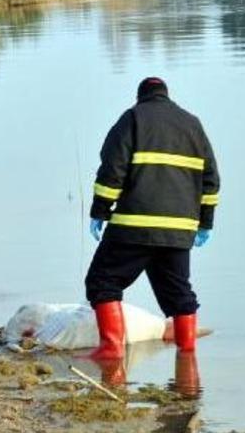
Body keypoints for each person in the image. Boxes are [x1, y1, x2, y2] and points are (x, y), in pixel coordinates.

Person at [86, 77, 220, 358]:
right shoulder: (192, 125)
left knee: (102, 282)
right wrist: (205, 222)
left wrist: (100, 210)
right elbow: (211, 180)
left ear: (140, 97)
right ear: (167, 96)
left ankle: (111, 352)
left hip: (133, 226)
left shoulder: (133, 118)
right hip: (178, 231)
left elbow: (112, 169)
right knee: (179, 294)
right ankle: (188, 356)